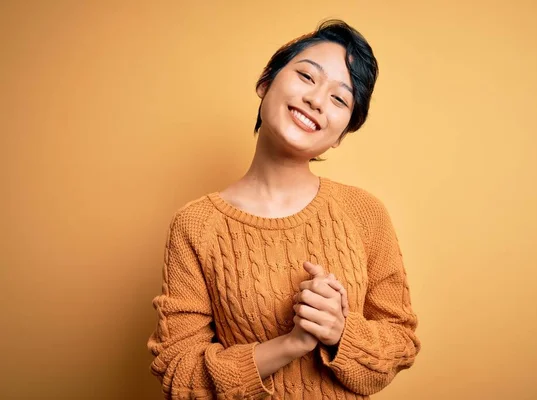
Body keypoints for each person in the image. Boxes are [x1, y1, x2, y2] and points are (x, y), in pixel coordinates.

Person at [147, 19, 421, 399]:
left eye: (340, 98)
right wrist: (290, 345)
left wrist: (341, 331)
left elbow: (401, 342)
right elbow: (179, 373)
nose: (317, 99)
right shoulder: (195, 226)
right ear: (266, 82)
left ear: (341, 134)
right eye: (307, 77)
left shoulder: (365, 213)